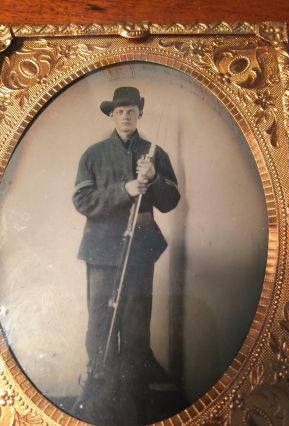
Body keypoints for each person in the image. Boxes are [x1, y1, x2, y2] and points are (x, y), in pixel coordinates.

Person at [72, 87, 180, 425]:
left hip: (139, 252)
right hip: (102, 250)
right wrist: (125, 190)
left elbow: (170, 201)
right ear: (112, 115)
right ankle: (101, 408)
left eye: (132, 110)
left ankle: (135, 410)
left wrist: (154, 178)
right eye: (120, 111)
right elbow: (82, 201)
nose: (126, 116)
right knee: (100, 326)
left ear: (140, 113)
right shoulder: (93, 154)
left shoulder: (154, 154)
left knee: (135, 330)